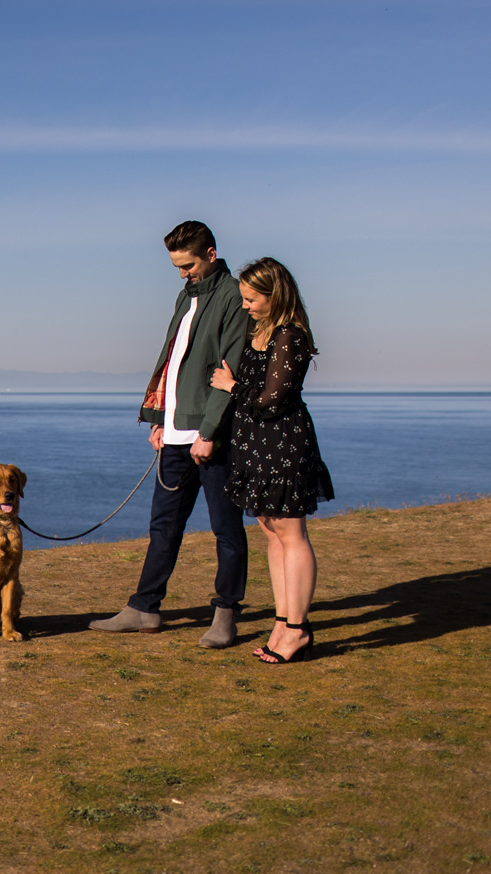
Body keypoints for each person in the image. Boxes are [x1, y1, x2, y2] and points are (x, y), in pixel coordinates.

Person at [90, 220, 251, 647]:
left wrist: (211, 432)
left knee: (226, 529)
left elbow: (228, 370)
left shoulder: (234, 296)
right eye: (177, 266)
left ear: (211, 255)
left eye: (189, 264)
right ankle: (144, 608)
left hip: (212, 437)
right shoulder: (185, 296)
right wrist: (160, 418)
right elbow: (173, 362)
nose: (183, 273)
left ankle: (225, 615)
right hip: (176, 436)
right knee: (163, 527)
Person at [209, 257, 334, 664]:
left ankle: (297, 629)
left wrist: (231, 385)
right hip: (255, 445)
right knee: (271, 530)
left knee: (292, 533)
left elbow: (271, 400)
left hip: (282, 444)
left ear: (273, 294)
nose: (245, 305)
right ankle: (282, 622)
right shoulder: (259, 333)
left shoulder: (289, 336)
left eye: (251, 298)